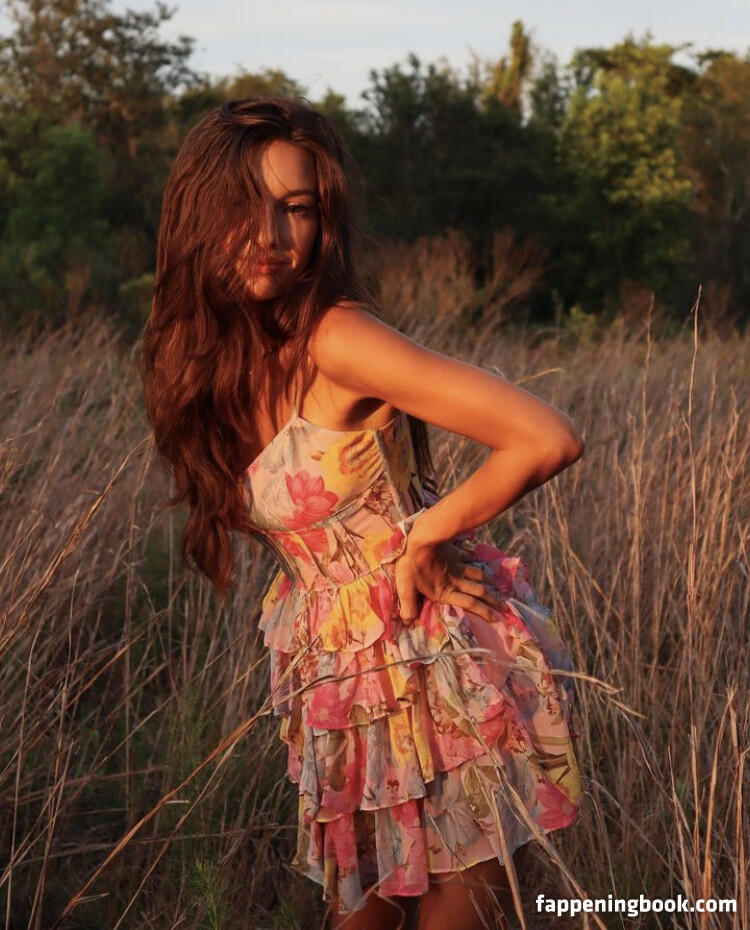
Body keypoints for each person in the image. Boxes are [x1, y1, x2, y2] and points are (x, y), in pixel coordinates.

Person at [140, 96, 584, 930]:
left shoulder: (337, 339)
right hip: (340, 686)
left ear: (325, 222)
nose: (270, 233)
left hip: (436, 666)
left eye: (297, 207)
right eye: (246, 204)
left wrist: (427, 533)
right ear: (199, 215)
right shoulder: (216, 360)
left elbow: (546, 435)